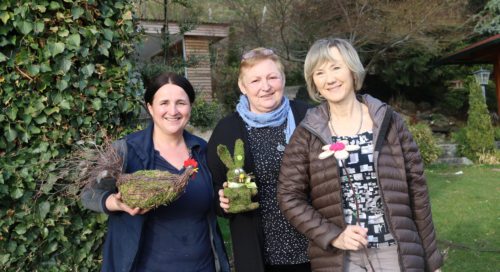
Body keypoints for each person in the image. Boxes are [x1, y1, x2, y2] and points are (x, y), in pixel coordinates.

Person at [277, 38, 443, 272]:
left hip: (394, 251)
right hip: (340, 258)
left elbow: (417, 192)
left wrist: (432, 261)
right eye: (319, 72)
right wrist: (333, 236)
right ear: (313, 81)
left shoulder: (389, 122)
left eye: (336, 67)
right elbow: (288, 196)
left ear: (353, 70)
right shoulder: (307, 133)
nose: (330, 79)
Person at [81, 72, 230, 272]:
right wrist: (115, 203)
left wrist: (224, 199)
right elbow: (89, 194)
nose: (173, 110)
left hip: (202, 265)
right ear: (150, 107)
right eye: (164, 103)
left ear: (190, 107)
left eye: (181, 103)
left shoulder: (202, 150)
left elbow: (212, 199)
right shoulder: (125, 150)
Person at [207, 48, 311, 272]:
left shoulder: (309, 118)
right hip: (259, 255)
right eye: (255, 80)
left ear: (283, 79)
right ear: (242, 86)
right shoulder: (228, 130)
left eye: (272, 77)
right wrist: (222, 201)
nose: (265, 87)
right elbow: (213, 187)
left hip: (314, 248)